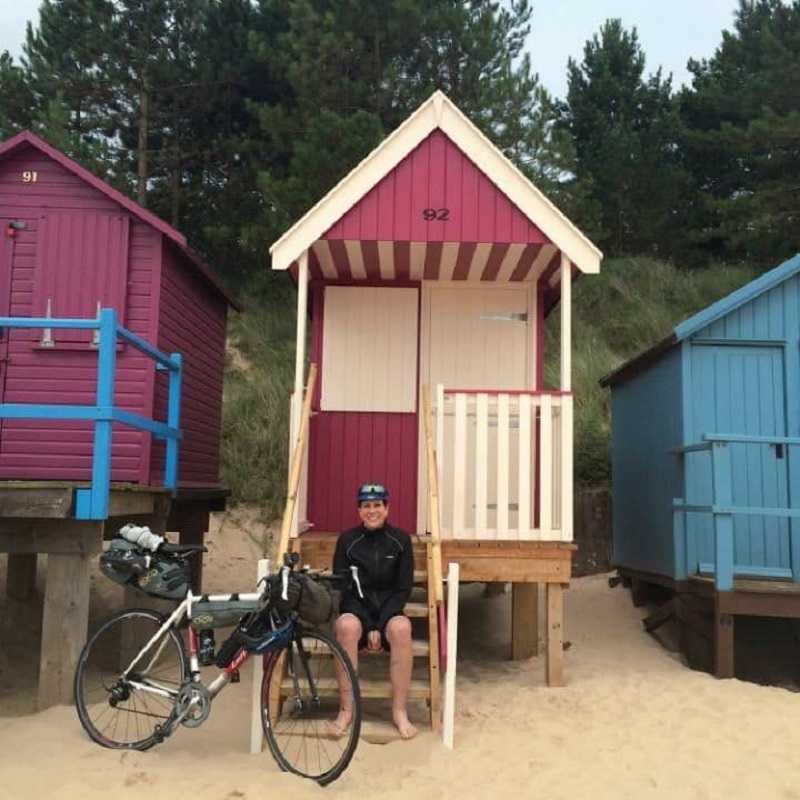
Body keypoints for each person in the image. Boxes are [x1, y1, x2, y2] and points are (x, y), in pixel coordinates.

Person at [331, 482, 418, 740]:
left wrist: (380, 627)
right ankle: (346, 710)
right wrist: (368, 626)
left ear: (387, 508)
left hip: (389, 613)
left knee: (402, 628)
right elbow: (343, 589)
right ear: (359, 511)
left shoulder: (401, 540)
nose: (372, 511)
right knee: (345, 626)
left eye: (377, 505)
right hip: (358, 612)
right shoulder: (347, 541)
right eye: (366, 506)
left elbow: (403, 589)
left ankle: (399, 712)